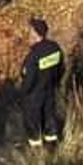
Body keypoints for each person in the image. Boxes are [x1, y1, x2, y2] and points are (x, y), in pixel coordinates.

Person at [19, 16, 65, 152]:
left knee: (33, 124)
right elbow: (61, 69)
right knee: (49, 119)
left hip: (34, 96)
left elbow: (28, 78)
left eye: (30, 31)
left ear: (35, 33)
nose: (28, 33)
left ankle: (36, 152)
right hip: (50, 91)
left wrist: (23, 94)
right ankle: (52, 149)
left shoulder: (33, 56)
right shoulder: (55, 48)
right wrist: (55, 83)